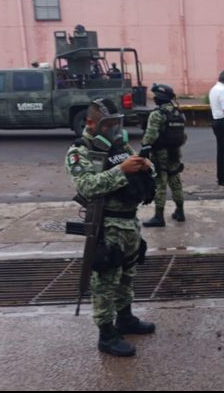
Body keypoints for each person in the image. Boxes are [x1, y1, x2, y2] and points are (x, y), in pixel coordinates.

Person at [64, 98, 156, 357]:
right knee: (105, 282)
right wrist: (122, 170)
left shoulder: (118, 144)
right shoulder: (80, 151)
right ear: (91, 123)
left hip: (129, 222)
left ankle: (125, 319)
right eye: (108, 125)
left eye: (117, 124)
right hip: (107, 225)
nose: (114, 129)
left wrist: (143, 166)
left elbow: (131, 165)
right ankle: (106, 335)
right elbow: (87, 186)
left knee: (127, 275)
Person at [142, 84, 187, 227]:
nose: (154, 98)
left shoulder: (157, 114)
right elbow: (183, 135)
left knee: (160, 183)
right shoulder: (178, 112)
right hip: (175, 152)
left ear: (160, 98)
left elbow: (151, 135)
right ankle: (180, 212)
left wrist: (144, 148)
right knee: (175, 182)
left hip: (160, 153)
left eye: (155, 96)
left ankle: (159, 216)